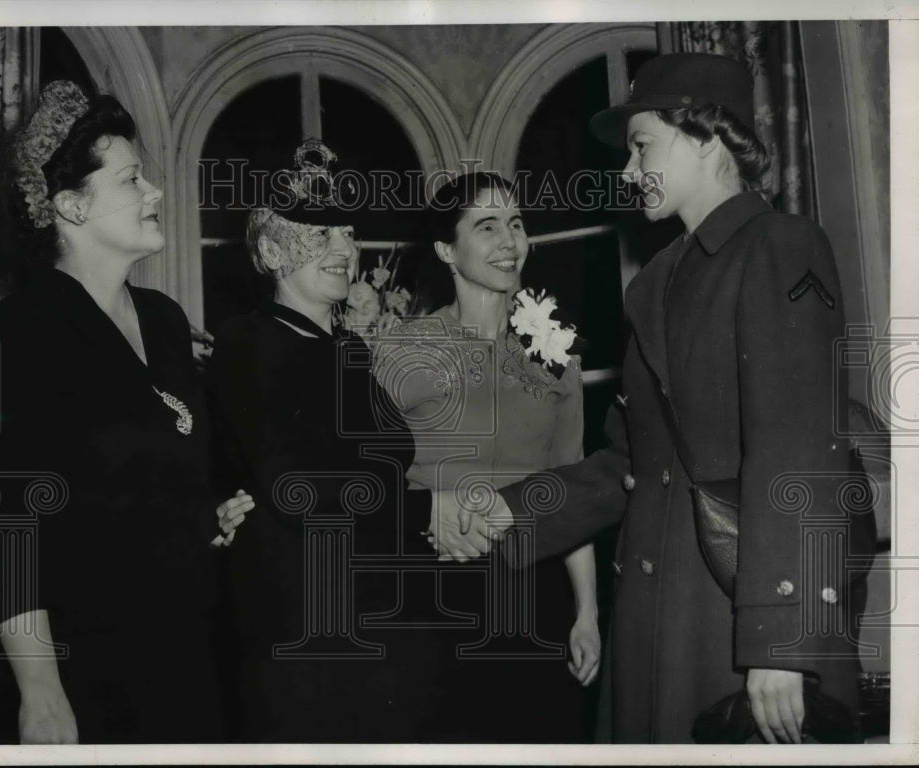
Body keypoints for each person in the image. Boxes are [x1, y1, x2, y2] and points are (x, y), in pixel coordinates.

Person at [432, 53, 875, 744]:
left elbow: (798, 450)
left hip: (741, 615)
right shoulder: (658, 280)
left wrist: (782, 641)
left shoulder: (781, 246)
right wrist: (508, 510)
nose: (629, 170)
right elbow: (632, 464)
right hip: (661, 610)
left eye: (642, 146)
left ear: (707, 136)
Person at [0, 80, 253, 744]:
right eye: (132, 179)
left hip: (191, 654)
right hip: (85, 667)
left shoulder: (165, 322)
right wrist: (40, 690)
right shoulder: (12, 336)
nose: (155, 192)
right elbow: (5, 529)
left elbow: (153, 469)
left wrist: (210, 514)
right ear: (71, 206)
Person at [207, 140, 437, 742]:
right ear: (270, 251)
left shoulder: (347, 348)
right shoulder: (248, 342)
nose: (344, 249)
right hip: (301, 626)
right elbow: (299, 485)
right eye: (320, 234)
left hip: (374, 611)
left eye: (348, 232)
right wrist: (427, 511)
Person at [371, 172, 601, 742]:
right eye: (487, 226)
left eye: (516, 224)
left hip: (535, 588)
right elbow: (367, 481)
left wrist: (587, 612)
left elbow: (569, 486)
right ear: (446, 251)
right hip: (430, 596)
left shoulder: (554, 351)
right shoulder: (403, 349)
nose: (509, 241)